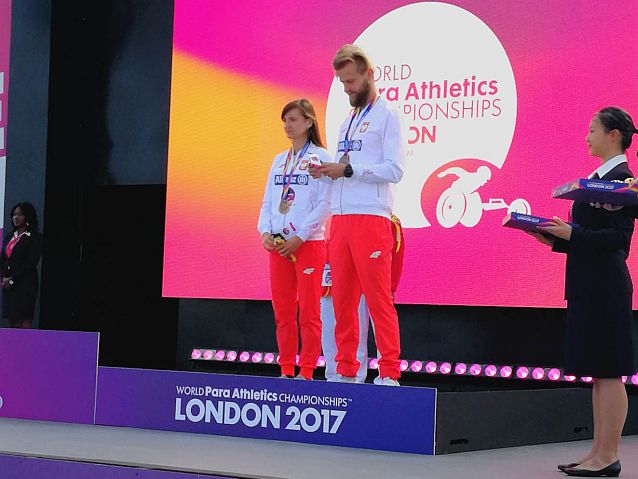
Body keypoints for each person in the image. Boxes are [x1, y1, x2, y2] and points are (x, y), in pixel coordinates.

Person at [528, 107, 637, 477]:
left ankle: (609, 455)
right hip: (586, 283)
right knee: (598, 373)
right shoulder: (595, 179)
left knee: (610, 372)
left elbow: (617, 240)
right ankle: (597, 452)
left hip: (606, 286)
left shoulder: (624, 182)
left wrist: (571, 234)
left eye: (592, 129)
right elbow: (586, 238)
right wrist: (553, 239)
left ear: (613, 135)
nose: (586, 136)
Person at [312, 44, 405, 385]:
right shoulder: (346, 122)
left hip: (371, 217)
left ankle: (390, 372)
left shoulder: (388, 116)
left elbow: (395, 169)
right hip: (341, 219)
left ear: (369, 74)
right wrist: (326, 171)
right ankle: (346, 370)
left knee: (378, 299)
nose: (347, 88)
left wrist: (349, 171)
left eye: (351, 81)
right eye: (342, 83)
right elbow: (345, 168)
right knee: (343, 301)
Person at [257, 99, 332, 380]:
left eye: (293, 120)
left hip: (309, 244)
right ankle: (286, 369)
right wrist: (264, 231)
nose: (288, 126)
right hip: (278, 245)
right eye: (285, 120)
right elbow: (268, 202)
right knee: (284, 311)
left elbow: (325, 204)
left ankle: (308, 371)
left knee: (310, 311)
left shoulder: (322, 158)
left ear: (309, 122)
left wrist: (301, 236)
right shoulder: (279, 160)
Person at [321, 214, 405, 383]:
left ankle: (387, 375)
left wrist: (391, 286)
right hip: (341, 283)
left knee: (379, 322)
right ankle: (337, 374)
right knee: (343, 327)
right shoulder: (331, 218)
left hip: (373, 281)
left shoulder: (388, 220)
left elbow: (397, 252)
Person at [0, 202, 44, 329]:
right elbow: (3, 259)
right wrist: (4, 278)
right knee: (11, 319)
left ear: (28, 217)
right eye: (14, 215)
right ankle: (12, 348)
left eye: (20, 214)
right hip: (8, 285)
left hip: (25, 284)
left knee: (23, 319)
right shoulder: (9, 236)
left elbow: (31, 263)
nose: (16, 218)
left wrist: (13, 279)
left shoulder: (35, 237)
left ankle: (26, 346)